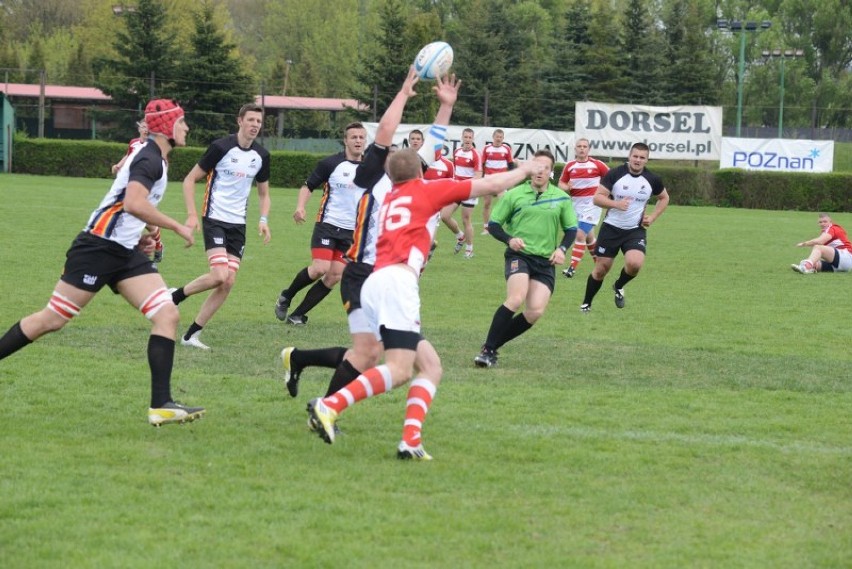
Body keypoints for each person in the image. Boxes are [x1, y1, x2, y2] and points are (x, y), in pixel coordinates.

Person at [306, 140, 543, 461]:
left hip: (376, 281)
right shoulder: (426, 190)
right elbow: (491, 183)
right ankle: (330, 404)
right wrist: (526, 169)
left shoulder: (388, 195)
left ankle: (410, 441)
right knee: (400, 370)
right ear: (421, 171)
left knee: (430, 366)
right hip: (396, 282)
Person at [0, 99, 204, 426]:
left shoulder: (156, 158)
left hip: (123, 253)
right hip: (96, 249)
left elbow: (125, 206)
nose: (187, 128)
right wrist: (176, 225)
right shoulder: (150, 158)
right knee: (51, 320)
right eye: (181, 122)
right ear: (167, 126)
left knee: (168, 313)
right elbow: (135, 202)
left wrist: (139, 236)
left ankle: (161, 404)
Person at [281, 69, 455, 404]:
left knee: (369, 354)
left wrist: (445, 107)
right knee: (368, 354)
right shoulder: (375, 178)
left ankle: (303, 366)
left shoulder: (415, 181)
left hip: (389, 277)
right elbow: (386, 130)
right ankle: (324, 407)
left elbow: (435, 138)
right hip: (362, 273)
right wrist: (403, 92)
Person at [169, 103, 272, 350]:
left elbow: (264, 194)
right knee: (218, 275)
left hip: (238, 225)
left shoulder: (261, 156)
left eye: (259, 122)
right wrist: (192, 215)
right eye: (251, 120)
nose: (255, 125)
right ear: (239, 121)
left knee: (227, 282)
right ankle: (175, 296)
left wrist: (264, 219)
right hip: (214, 218)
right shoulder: (220, 147)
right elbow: (189, 179)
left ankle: (190, 335)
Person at [474, 149, 578, 368]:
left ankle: (490, 346)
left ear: (551, 172)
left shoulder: (561, 197)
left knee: (534, 312)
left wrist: (561, 249)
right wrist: (509, 239)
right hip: (519, 256)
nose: (540, 172)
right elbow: (493, 225)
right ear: (530, 169)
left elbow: (570, 229)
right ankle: (487, 351)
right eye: (537, 167)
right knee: (516, 298)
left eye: (545, 168)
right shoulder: (514, 194)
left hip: (545, 261)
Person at [274, 122, 367, 326]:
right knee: (320, 269)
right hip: (327, 225)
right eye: (354, 137)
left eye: (361, 137)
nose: (358, 141)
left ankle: (297, 315)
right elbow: (308, 186)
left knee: (334, 276)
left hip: (352, 233)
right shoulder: (330, 163)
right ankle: (286, 296)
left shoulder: (371, 168)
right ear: (345, 140)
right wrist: (300, 206)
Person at [579, 142, 669, 312]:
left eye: (642, 157)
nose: (638, 160)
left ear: (647, 160)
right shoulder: (615, 174)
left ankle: (618, 286)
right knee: (601, 270)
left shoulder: (652, 179)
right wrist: (616, 204)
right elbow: (597, 198)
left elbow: (664, 198)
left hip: (635, 230)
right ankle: (586, 303)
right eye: (635, 156)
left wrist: (653, 217)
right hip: (611, 228)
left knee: (635, 264)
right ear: (629, 156)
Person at [557, 138, 609, 278]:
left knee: (580, 234)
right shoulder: (570, 166)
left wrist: (606, 195)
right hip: (575, 205)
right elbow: (561, 183)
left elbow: (611, 179)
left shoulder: (598, 164)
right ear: (575, 149)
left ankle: (572, 268)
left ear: (589, 149)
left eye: (584, 146)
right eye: (579, 146)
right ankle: (600, 265)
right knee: (588, 237)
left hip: (593, 204)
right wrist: (566, 187)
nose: (582, 148)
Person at [440, 127, 481, 258]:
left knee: (466, 219)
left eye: (470, 137)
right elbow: (455, 170)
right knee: (444, 216)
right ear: (462, 138)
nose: (468, 139)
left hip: (470, 190)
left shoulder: (476, 154)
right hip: (457, 188)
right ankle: (460, 236)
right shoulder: (457, 151)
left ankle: (469, 249)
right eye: (466, 137)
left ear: (473, 139)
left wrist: (467, 186)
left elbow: (478, 176)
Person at [480, 128, 514, 235]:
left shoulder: (506, 149)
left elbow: (511, 164)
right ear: (493, 137)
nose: (498, 139)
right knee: (487, 203)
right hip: (488, 179)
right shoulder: (487, 148)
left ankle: (505, 226)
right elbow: (482, 164)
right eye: (497, 137)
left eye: (500, 137)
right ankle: (486, 228)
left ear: (503, 138)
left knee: (504, 202)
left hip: (501, 180)